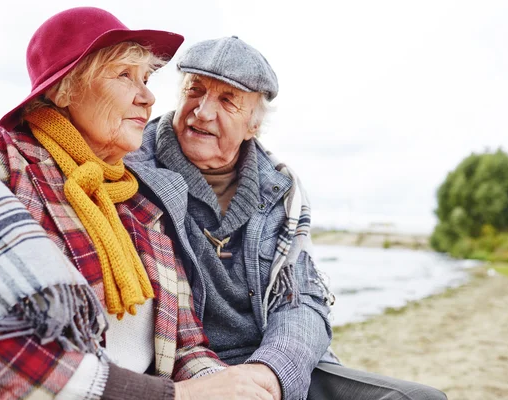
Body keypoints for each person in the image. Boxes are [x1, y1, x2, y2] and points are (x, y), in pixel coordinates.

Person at [0, 9, 280, 399]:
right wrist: (180, 397)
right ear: (64, 89)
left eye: (146, 79)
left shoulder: (142, 202)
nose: (148, 97)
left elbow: (187, 345)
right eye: (124, 75)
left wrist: (232, 386)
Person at [126, 37, 448, 399]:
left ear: (254, 125)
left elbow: (304, 300)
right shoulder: (131, 168)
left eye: (227, 100)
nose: (202, 112)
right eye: (194, 91)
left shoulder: (282, 188)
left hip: (274, 365)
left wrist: (271, 372)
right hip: (185, 373)